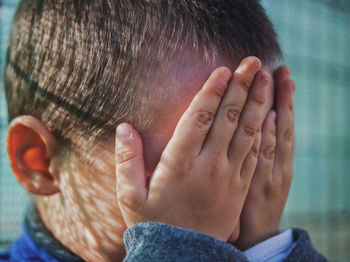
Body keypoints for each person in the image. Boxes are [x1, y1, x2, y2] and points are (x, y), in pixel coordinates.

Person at [0, 0, 326, 261]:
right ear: (39, 161)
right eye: (190, 169)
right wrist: (183, 248)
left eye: (247, 160)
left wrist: (267, 247)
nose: (230, 225)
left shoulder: (254, 236)